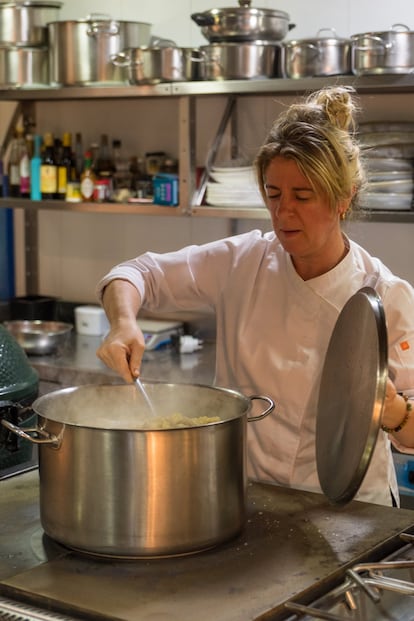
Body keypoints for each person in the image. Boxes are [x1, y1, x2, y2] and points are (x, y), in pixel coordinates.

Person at [96, 86, 414, 507]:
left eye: (302, 196)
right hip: (247, 499)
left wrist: (389, 409)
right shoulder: (241, 261)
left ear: (344, 198)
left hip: (348, 514)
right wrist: (122, 322)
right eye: (273, 194)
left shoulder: (386, 295)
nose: (283, 214)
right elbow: (135, 273)